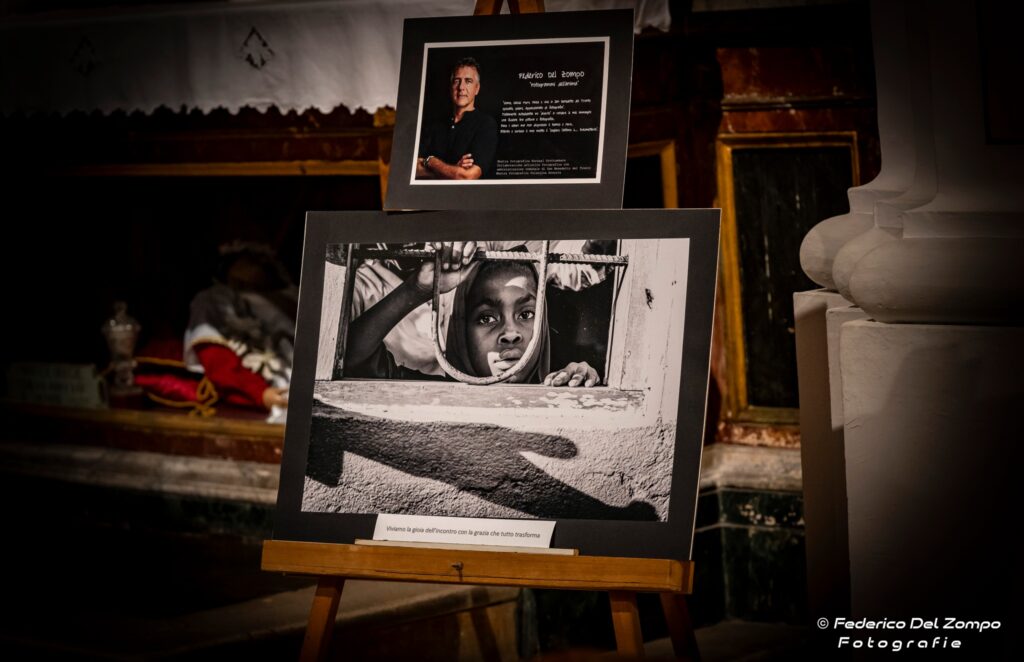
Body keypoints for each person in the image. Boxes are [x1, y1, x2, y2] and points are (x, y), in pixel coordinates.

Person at [345, 243, 600, 387]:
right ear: (460, 329)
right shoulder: (432, 397)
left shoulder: (557, 392)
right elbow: (351, 357)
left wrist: (580, 382)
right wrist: (418, 289)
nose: (510, 334)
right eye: (486, 318)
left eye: (526, 314)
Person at [184, 242, 295, 412]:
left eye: (262, 260)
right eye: (251, 259)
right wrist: (260, 393)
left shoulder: (288, 298)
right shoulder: (214, 300)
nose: (259, 264)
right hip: (261, 391)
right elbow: (216, 357)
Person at [416, 57, 498, 180]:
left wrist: (431, 161)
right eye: (456, 81)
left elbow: (467, 177)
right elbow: (413, 169)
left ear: (477, 88)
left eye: (468, 81)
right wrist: (453, 170)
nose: (461, 87)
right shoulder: (434, 124)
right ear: (451, 86)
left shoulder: (486, 124)